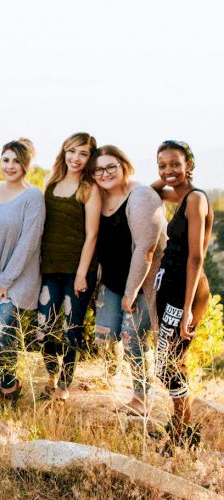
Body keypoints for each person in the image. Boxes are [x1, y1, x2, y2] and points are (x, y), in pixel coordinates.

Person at [87, 145, 166, 416]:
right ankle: (117, 373)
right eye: (98, 169)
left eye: (111, 167)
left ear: (124, 165)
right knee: (104, 336)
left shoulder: (140, 195)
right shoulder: (99, 196)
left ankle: (142, 398)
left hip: (142, 284)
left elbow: (146, 248)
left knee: (132, 337)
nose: (105, 173)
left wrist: (131, 292)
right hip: (111, 281)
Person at [151, 140, 213, 450]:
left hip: (184, 290)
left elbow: (196, 258)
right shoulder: (179, 194)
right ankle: (181, 423)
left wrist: (187, 308)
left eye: (175, 163)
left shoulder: (195, 199)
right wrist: (167, 178)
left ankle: (183, 428)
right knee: (167, 360)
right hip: (170, 287)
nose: (168, 170)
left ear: (189, 163)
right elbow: (149, 193)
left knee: (169, 361)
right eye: (162, 165)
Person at [0, 138, 45, 406]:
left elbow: (29, 242)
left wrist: (5, 280)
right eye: (6, 159)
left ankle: (10, 386)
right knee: (1, 335)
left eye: (17, 160)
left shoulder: (33, 196)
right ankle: (9, 386)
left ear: (26, 164)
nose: (10, 165)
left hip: (17, 278)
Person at [37, 133, 100, 401]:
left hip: (77, 270)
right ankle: (51, 374)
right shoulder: (50, 183)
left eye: (83, 153)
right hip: (48, 268)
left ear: (90, 158)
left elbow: (92, 235)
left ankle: (64, 383)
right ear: (64, 152)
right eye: (72, 151)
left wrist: (82, 274)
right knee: (44, 326)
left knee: (71, 327)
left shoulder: (90, 189)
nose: (76, 158)